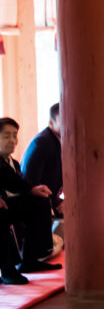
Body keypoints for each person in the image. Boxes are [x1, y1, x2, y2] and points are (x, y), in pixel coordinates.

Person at [0, 117, 62, 275]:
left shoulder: (10, 162)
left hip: (8, 204)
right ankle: (7, 270)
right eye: (6, 136)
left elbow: (18, 184)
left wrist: (34, 190)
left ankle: (30, 260)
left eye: (15, 135)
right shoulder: (43, 143)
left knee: (39, 201)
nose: (13, 140)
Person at [22, 102, 63, 219]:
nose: (69, 123)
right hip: (36, 206)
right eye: (64, 120)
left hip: (49, 201)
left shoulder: (59, 141)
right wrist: (56, 204)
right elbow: (31, 183)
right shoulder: (42, 142)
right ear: (51, 122)